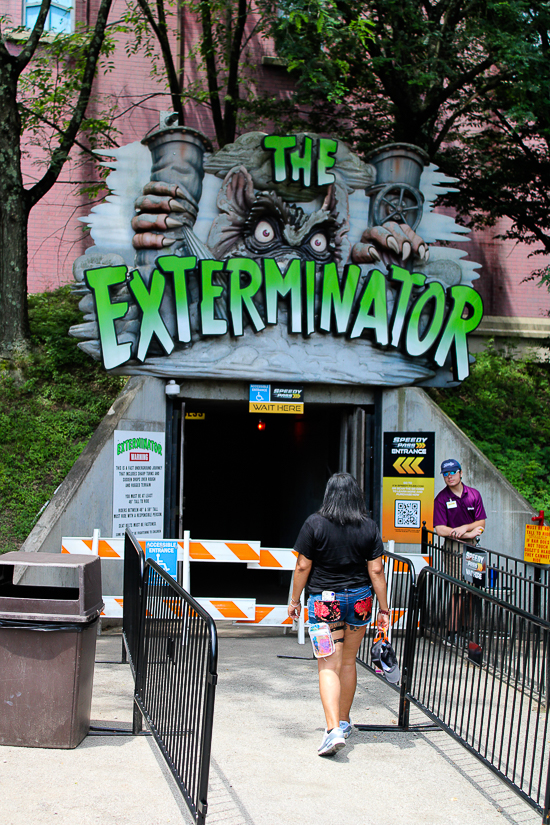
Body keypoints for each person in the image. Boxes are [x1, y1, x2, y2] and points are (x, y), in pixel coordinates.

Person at [287, 473, 390, 757]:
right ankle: (344, 722)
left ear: (329, 494)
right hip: (360, 602)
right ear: (356, 495)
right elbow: (377, 571)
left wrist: (294, 600)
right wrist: (384, 608)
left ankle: (332, 730)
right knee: (348, 662)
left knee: (327, 666)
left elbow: (302, 566)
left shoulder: (314, 524)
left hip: (325, 605)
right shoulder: (368, 526)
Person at [433, 458, 487, 641]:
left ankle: (466, 629)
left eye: (453, 472)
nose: (450, 477)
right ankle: (452, 632)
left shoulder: (474, 494)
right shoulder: (441, 498)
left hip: (473, 547)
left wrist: (464, 528)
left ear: (461, 473)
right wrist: (466, 534)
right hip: (454, 546)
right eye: (446, 474)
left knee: (472, 590)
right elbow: (440, 529)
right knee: (458, 589)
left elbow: (481, 524)